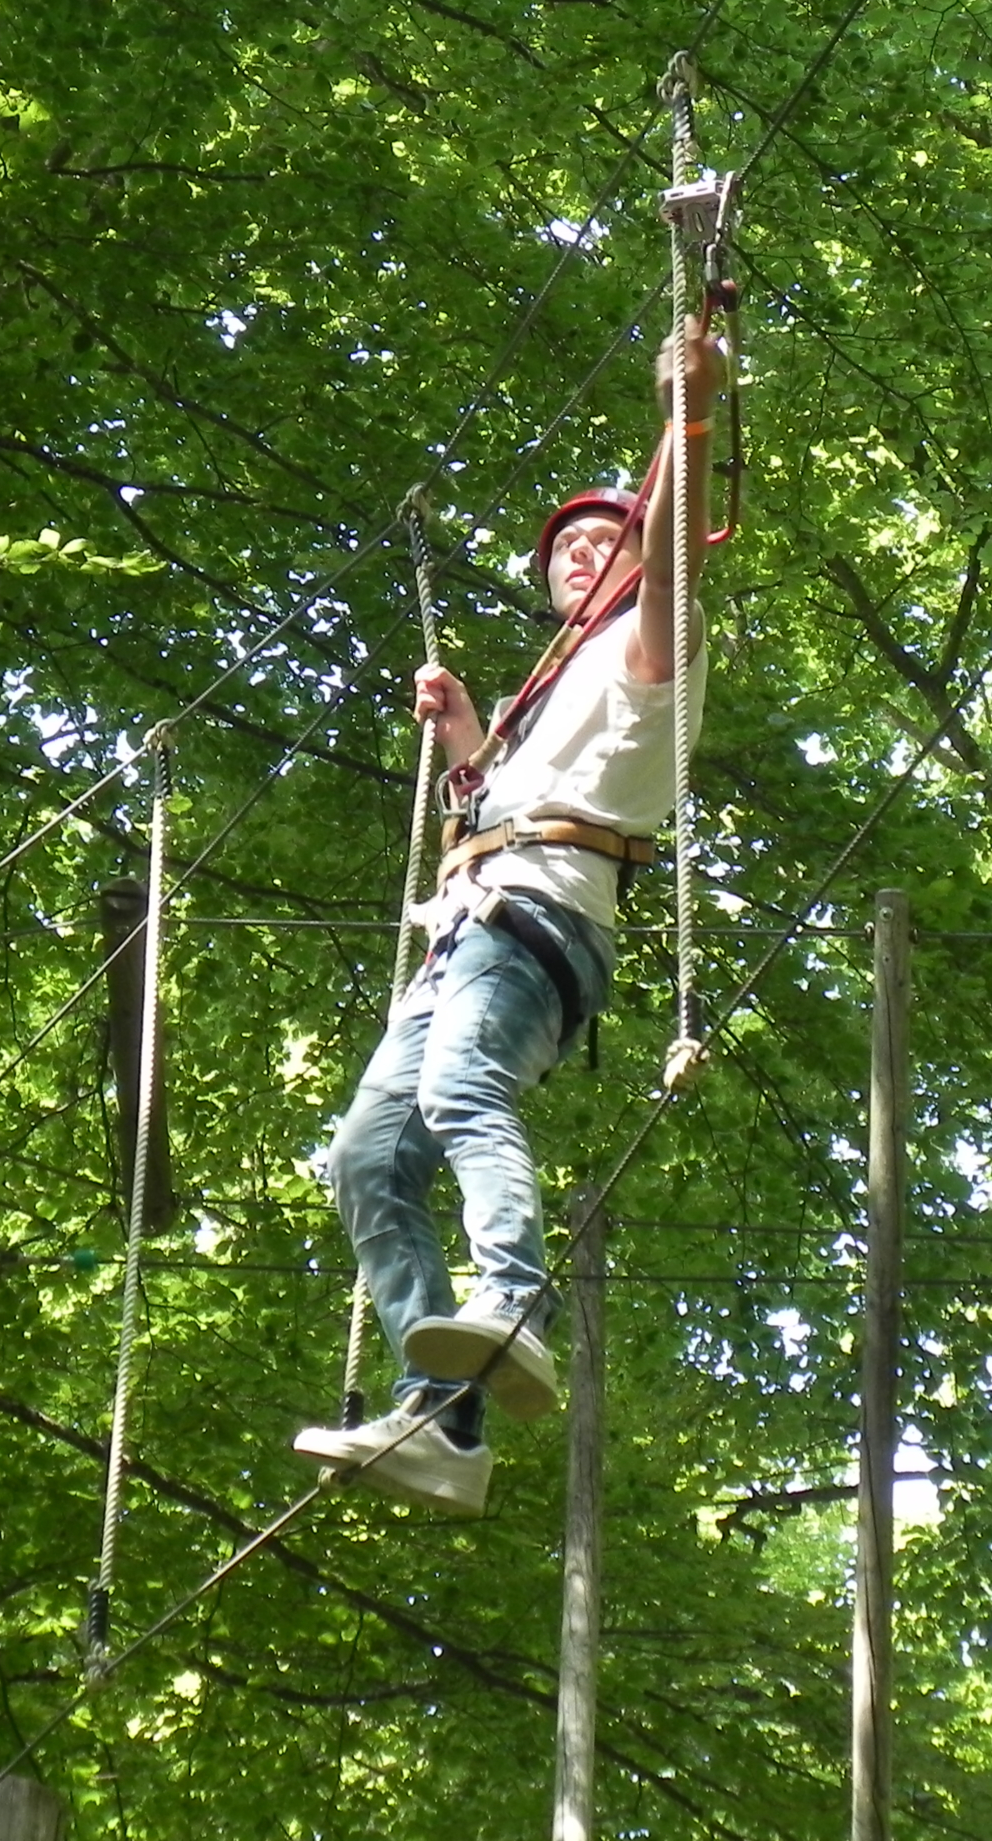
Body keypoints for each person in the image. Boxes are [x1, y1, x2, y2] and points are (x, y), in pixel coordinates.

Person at [293, 315, 724, 1517]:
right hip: (469, 923)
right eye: (565, 550)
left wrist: (687, 416)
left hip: (538, 922)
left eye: (604, 541)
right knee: (366, 1159)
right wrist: (466, 738)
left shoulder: (655, 648)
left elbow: (679, 557)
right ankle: (444, 1425)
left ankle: (509, 1299)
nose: (582, 556)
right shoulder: (551, 698)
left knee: (457, 1093)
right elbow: (521, 798)